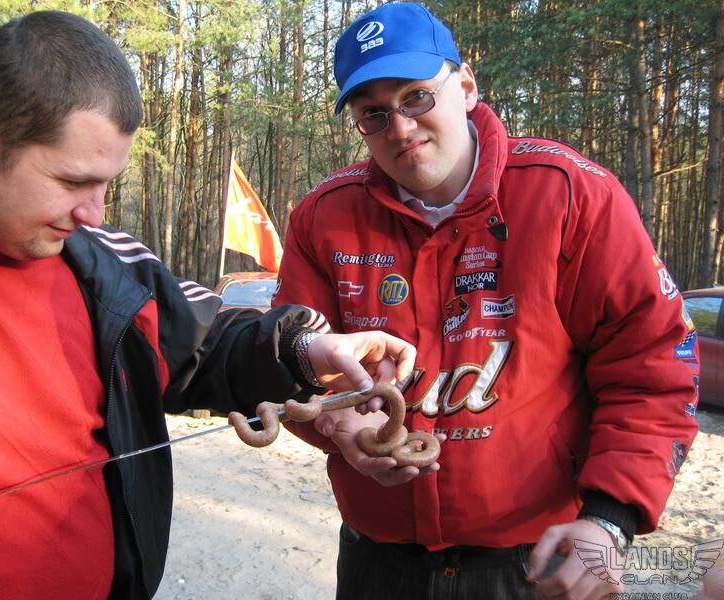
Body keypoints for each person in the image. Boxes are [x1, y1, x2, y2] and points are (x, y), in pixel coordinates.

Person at [0, 10, 417, 599]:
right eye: (72, 181)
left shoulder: (100, 262)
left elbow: (203, 344)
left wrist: (307, 349)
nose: (94, 213)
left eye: (107, 184)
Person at [272, 3, 700, 599]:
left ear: (467, 87)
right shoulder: (325, 217)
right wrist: (339, 425)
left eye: (417, 97)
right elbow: (293, 365)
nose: (401, 128)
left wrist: (610, 519)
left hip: (534, 559)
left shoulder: (569, 195)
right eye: (374, 113)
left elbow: (653, 367)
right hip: (378, 560)